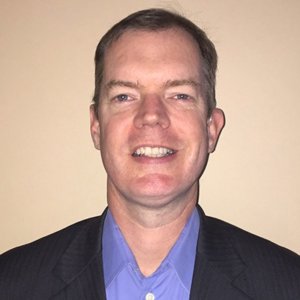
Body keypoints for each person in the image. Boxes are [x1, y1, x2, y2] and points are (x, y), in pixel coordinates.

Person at [0, 8, 299, 300]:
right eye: (124, 96)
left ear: (211, 129)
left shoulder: (289, 285)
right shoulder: (10, 283)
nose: (152, 116)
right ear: (96, 127)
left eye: (180, 95)